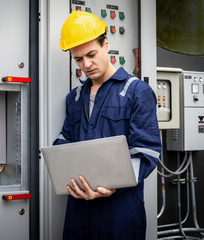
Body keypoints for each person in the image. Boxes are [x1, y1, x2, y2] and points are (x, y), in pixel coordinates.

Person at [54, 11, 162, 239]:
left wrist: (114, 185)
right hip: (78, 210)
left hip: (119, 212)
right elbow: (65, 140)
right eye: (78, 59)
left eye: (91, 54)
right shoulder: (74, 97)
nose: (86, 64)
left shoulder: (136, 91)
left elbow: (146, 152)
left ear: (106, 45)